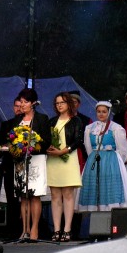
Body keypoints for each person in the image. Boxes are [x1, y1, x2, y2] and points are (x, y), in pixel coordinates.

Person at [4, 88, 51, 240]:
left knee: (35, 196)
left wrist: (32, 145)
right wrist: (16, 147)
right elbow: (10, 139)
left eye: (25, 102)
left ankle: (35, 228)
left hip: (36, 160)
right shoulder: (17, 120)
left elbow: (47, 141)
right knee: (23, 196)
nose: (22, 105)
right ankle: (25, 229)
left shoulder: (42, 118)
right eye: (21, 102)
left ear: (33, 103)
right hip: (20, 162)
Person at [78, 101, 127, 211]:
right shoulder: (89, 128)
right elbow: (88, 148)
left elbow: (123, 149)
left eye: (104, 112)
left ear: (109, 112)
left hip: (111, 162)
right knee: (95, 186)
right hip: (94, 160)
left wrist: (115, 162)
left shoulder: (116, 128)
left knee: (109, 186)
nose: (101, 114)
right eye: (99, 112)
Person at [46, 92, 84, 242]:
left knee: (68, 194)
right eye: (57, 103)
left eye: (62, 102)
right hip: (53, 160)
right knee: (55, 195)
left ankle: (67, 229)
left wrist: (63, 151)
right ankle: (56, 229)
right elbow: (45, 138)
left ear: (68, 103)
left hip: (68, 159)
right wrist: (49, 148)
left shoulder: (76, 120)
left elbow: (78, 140)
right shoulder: (52, 121)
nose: (59, 105)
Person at [0, 97, 24, 238]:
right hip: (9, 164)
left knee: (25, 198)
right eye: (16, 106)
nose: (18, 109)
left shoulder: (29, 123)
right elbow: (2, 143)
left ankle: (25, 228)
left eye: (21, 106)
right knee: (11, 199)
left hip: (25, 165)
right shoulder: (6, 124)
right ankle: (12, 229)